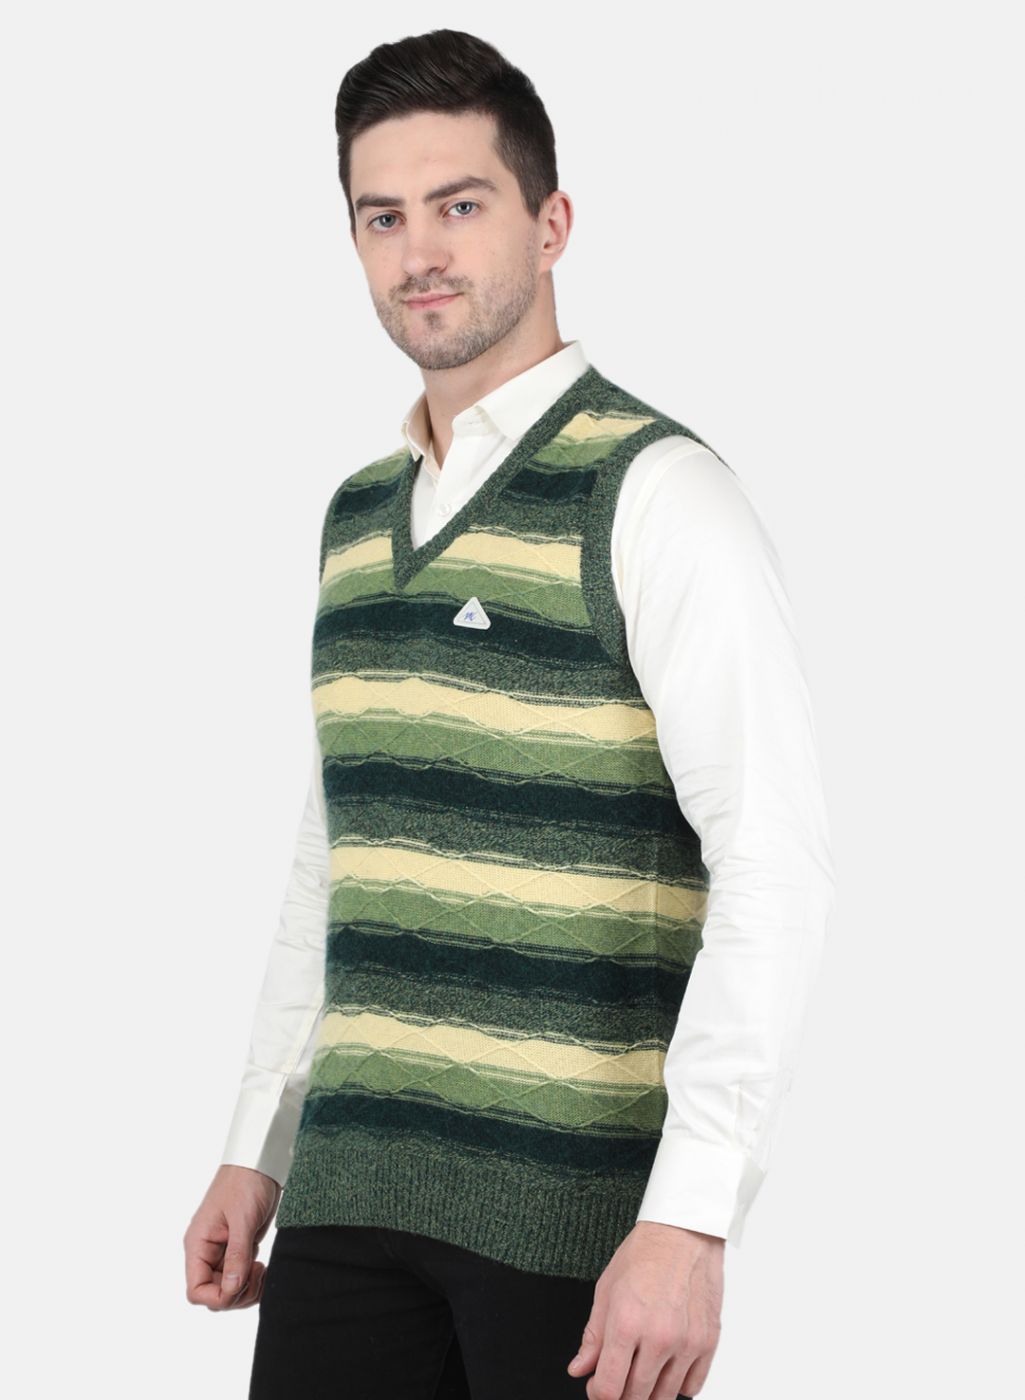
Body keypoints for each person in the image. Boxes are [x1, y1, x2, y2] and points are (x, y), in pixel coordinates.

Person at [183, 27, 836, 1400]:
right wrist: (260, 1142)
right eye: (382, 216)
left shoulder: (655, 495)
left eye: (460, 204)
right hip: (348, 1201)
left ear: (551, 225)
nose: (420, 251)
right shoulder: (356, 517)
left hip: (571, 1223)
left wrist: (691, 1218)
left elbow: (772, 861)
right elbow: (337, 856)